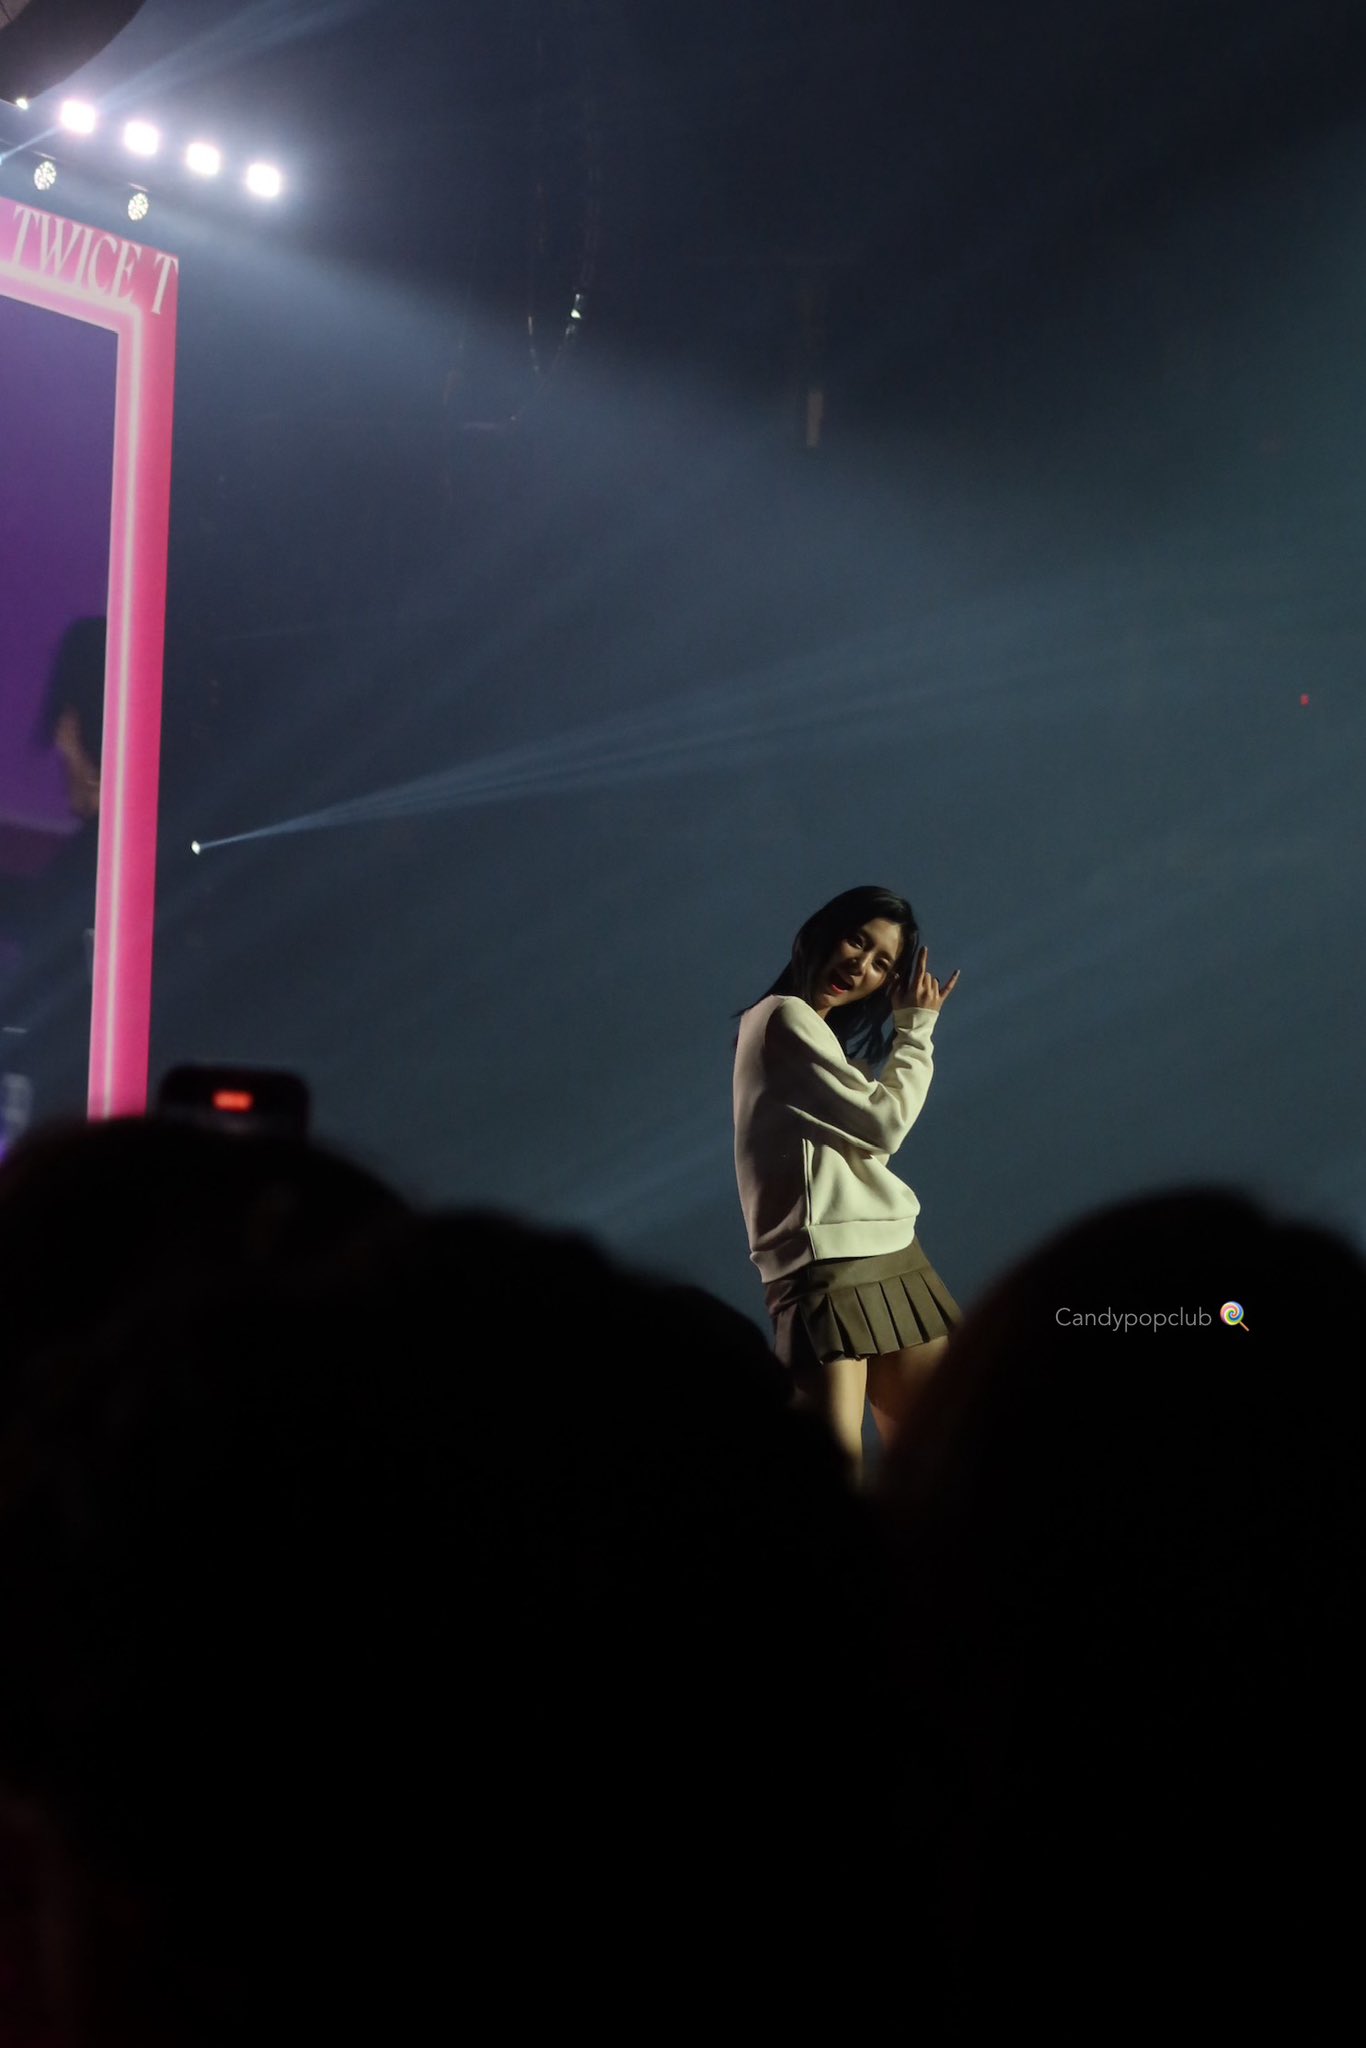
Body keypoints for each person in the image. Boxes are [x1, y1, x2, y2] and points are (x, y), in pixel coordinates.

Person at [732, 883, 961, 1474]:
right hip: (827, 1268)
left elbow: (870, 1137)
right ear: (822, 931)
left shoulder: (817, 1039)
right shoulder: (782, 1018)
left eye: (882, 963)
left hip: (889, 1256)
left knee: (940, 1460)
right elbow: (885, 1126)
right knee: (839, 1476)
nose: (862, 966)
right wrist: (916, 1029)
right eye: (858, 941)